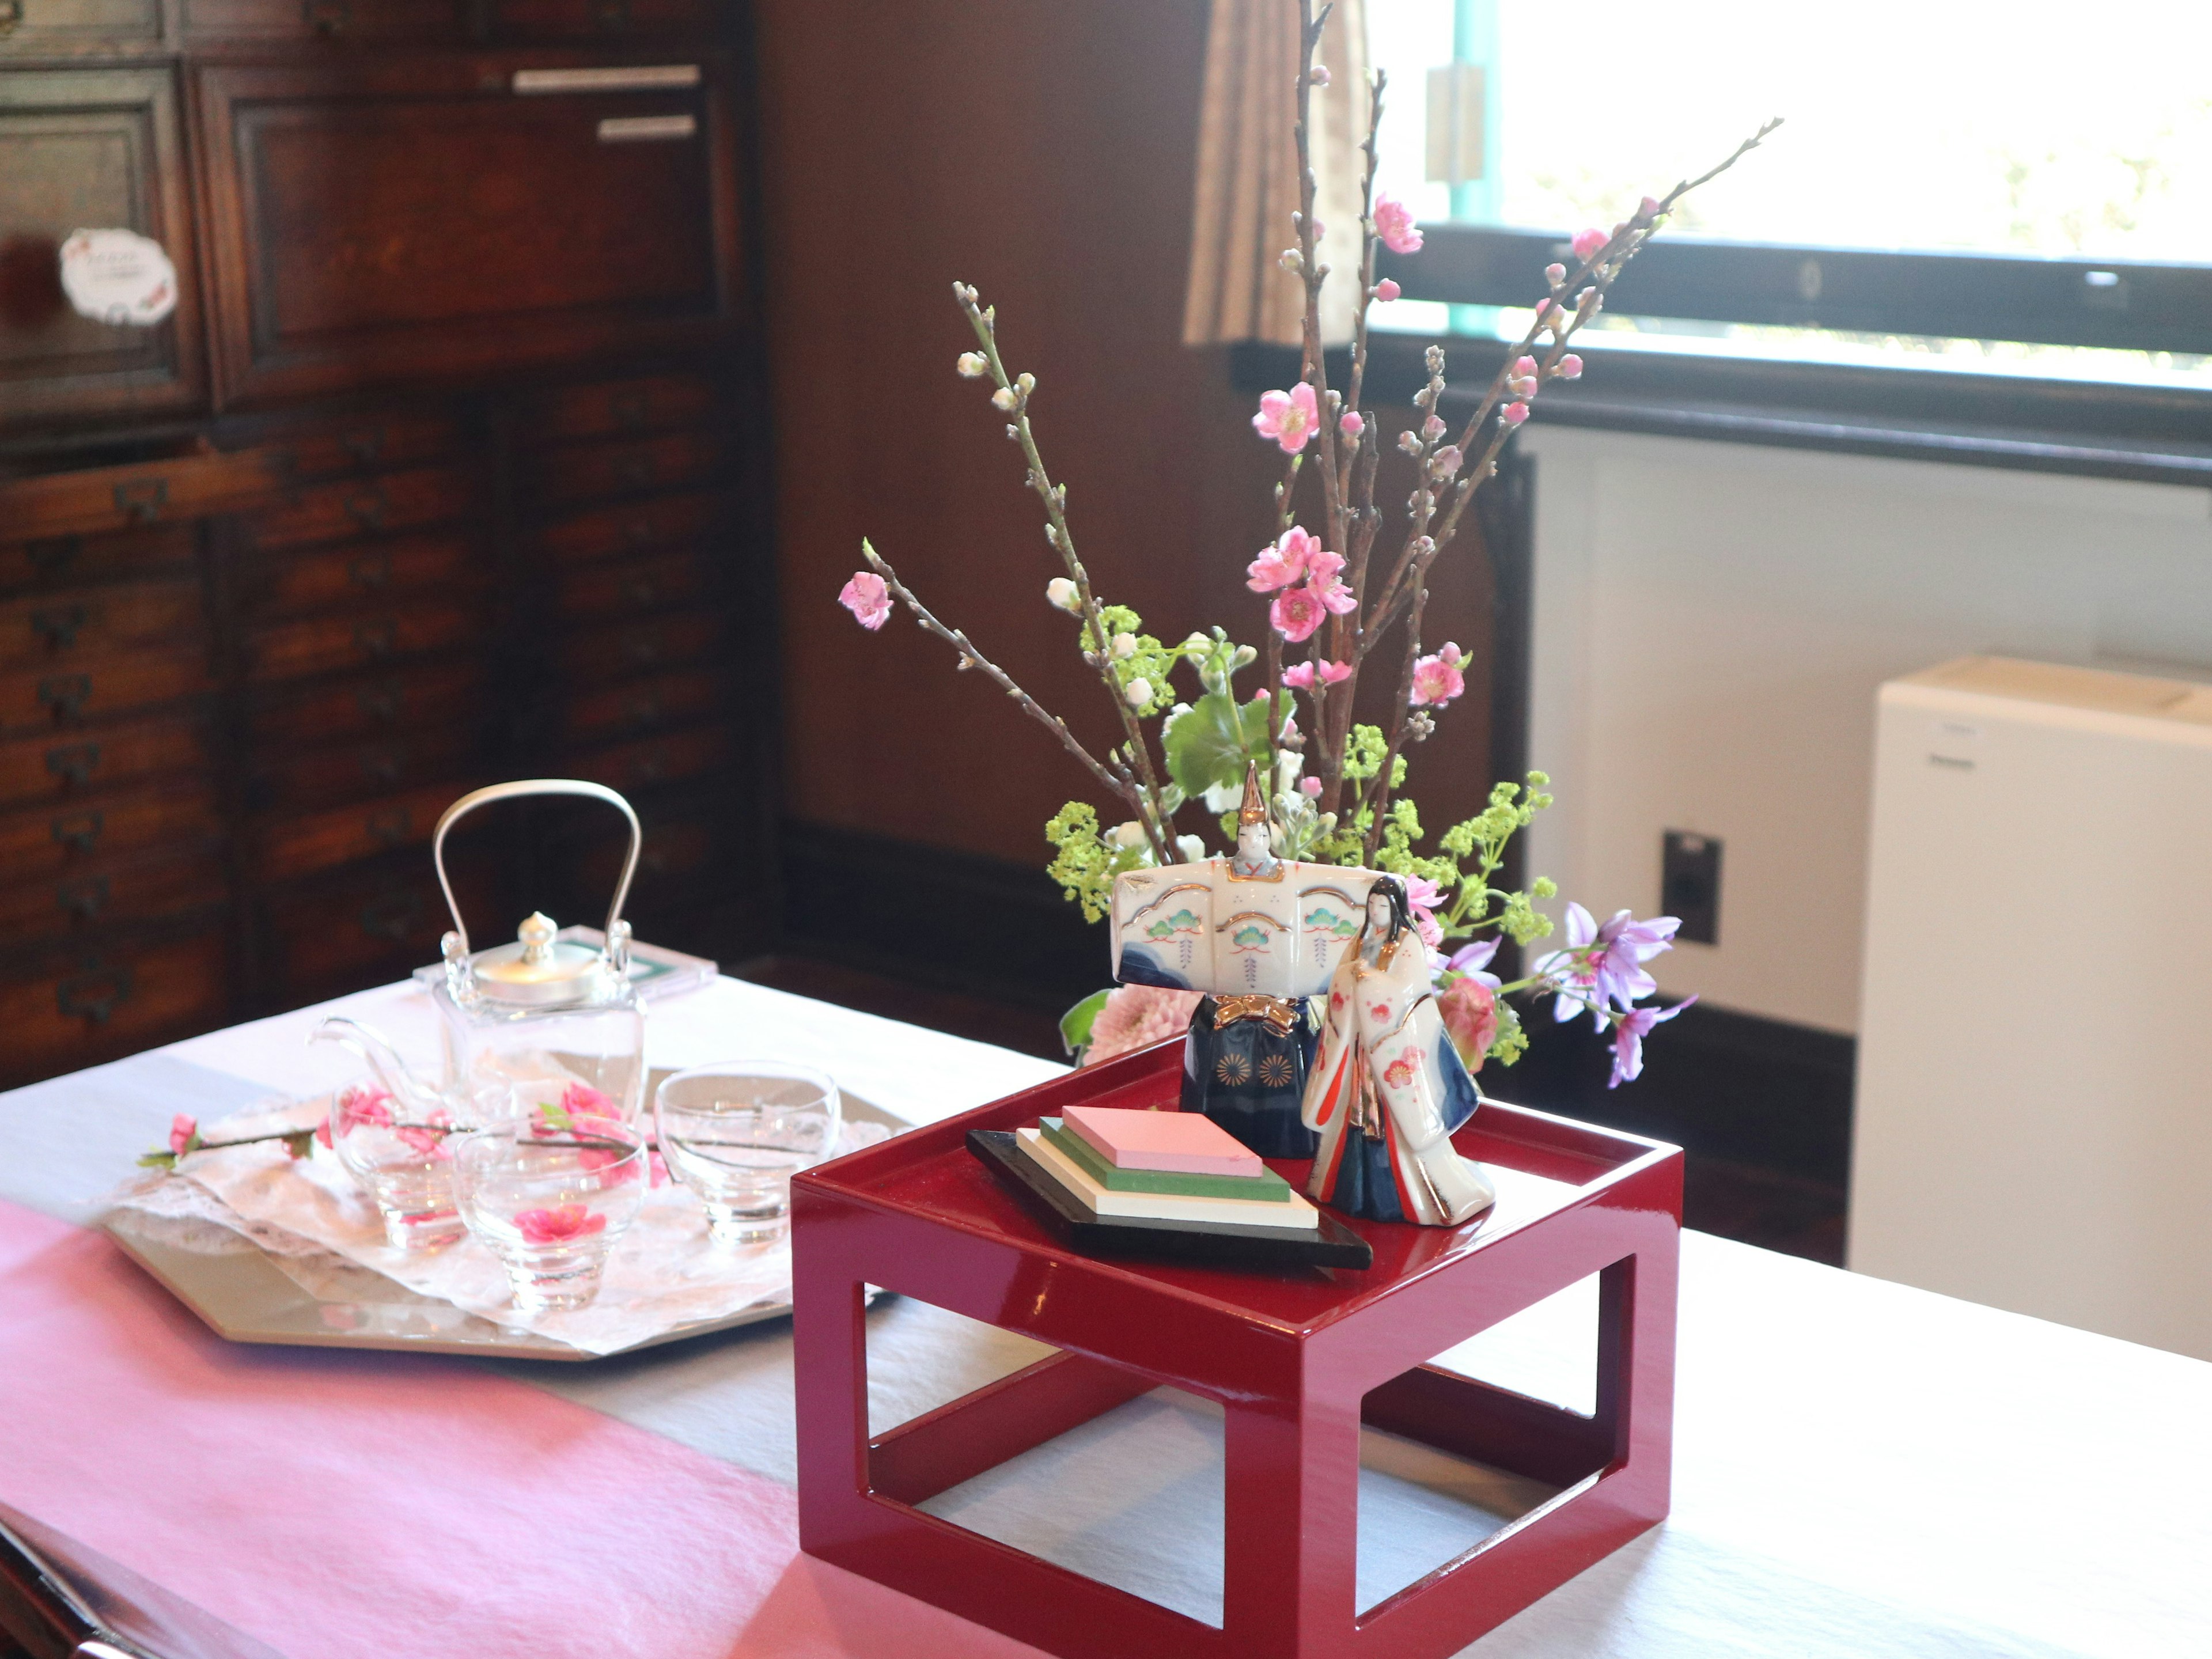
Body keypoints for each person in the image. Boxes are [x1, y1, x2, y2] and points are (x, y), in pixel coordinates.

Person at [1108, 766, 1374, 1157]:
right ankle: (1207, 1146)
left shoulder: (1295, 875)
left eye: (1261, 834)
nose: (1254, 840)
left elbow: (1352, 890)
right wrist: (1135, 894)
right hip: (1223, 1006)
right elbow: (1157, 892)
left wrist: (1378, 899)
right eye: (1247, 835)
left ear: (1270, 837)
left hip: (1286, 1008)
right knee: (1214, 1094)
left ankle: (1294, 1150)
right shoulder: (1215, 874)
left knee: (1293, 1090)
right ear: (1238, 837)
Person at [1301, 876, 1495, 1225]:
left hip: (1392, 1047)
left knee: (1399, 1122)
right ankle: (1341, 1189)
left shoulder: (1407, 943)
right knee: (1352, 1117)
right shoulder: (1360, 941)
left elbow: (1410, 990)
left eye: (1383, 906)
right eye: (1372, 905)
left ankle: (1415, 1197)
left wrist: (1369, 981)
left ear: (1397, 909)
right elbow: (1339, 978)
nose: (1376, 911)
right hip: (1359, 1043)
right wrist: (1353, 976)